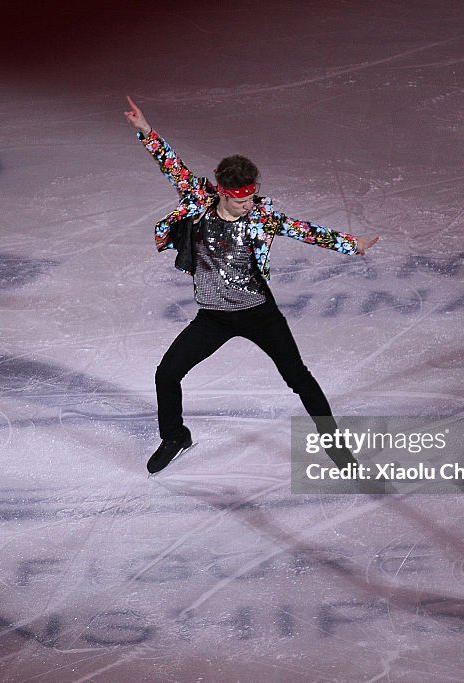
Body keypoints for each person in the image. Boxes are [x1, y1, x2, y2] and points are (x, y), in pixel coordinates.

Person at [124, 96, 379, 474]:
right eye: (241, 199)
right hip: (213, 318)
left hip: (259, 315)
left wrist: (350, 244)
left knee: (300, 379)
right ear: (224, 191)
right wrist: (146, 130)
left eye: (251, 196)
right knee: (167, 373)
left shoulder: (262, 217)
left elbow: (304, 230)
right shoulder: (199, 200)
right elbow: (172, 167)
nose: (249, 204)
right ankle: (176, 436)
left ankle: (336, 448)